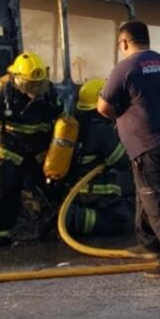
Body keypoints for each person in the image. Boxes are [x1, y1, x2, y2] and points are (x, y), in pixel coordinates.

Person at [97, 20, 160, 278]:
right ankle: (149, 244)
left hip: (148, 143)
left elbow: (103, 108)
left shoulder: (125, 68)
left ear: (124, 42)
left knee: (159, 202)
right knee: (146, 193)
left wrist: (122, 117)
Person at [0, 52, 60, 247]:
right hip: (8, 151)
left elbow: (61, 121)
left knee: (53, 190)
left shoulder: (50, 95)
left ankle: (53, 226)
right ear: (18, 80)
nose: (35, 89)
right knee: (4, 192)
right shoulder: (3, 96)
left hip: (38, 153)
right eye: (30, 85)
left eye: (39, 84)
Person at [64, 78, 133, 236]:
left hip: (77, 190)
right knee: (119, 221)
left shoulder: (79, 124)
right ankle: (72, 218)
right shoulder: (101, 130)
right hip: (95, 192)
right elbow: (122, 162)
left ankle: (72, 215)